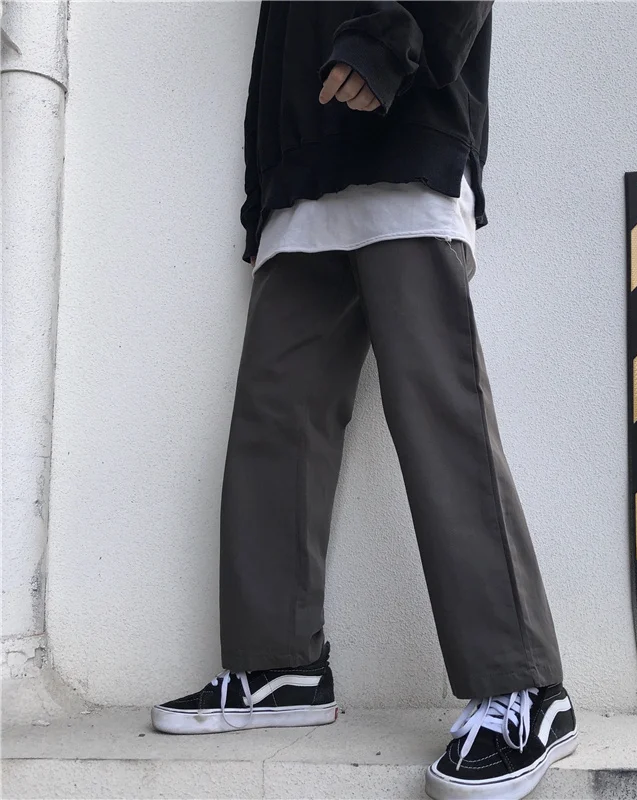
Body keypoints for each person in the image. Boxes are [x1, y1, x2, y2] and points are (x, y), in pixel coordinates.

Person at [151, 2, 577, 797]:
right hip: (299, 178)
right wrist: (265, 182)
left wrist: (388, 45)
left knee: (439, 417)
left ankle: (525, 685)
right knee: (276, 423)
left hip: (405, 139)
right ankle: (279, 668)